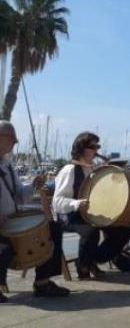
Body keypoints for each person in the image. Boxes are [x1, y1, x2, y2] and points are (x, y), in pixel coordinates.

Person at [0, 121, 69, 302]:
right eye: (10, 140)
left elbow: (19, 196)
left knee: (53, 229)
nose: (13, 144)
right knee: (3, 250)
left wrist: (34, 185)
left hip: (11, 219)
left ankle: (42, 282)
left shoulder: (7, 165)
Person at [53, 132, 130, 278]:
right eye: (92, 146)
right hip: (70, 216)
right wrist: (75, 203)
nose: (96, 150)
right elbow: (57, 202)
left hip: (91, 214)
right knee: (91, 231)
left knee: (125, 227)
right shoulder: (70, 170)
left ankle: (92, 259)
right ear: (81, 148)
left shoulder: (94, 169)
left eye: (97, 146)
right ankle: (84, 266)